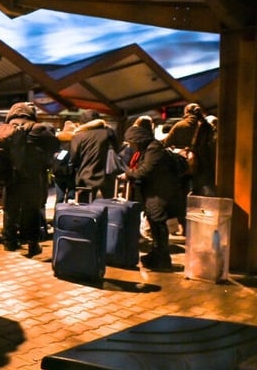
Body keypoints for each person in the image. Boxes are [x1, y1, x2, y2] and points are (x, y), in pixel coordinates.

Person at [0, 102, 58, 256]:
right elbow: (55, 145)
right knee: (31, 209)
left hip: (10, 176)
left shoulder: (4, 129)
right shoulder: (37, 128)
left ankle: (9, 242)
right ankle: (32, 243)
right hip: (32, 176)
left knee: (10, 209)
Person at [122, 124, 182, 271]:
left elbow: (144, 171)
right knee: (155, 225)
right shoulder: (149, 149)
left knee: (158, 224)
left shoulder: (154, 149)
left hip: (159, 193)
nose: (131, 146)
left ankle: (162, 260)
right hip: (154, 192)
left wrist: (128, 173)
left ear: (138, 140)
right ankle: (157, 257)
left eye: (132, 143)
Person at [163, 102, 216, 198]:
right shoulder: (207, 127)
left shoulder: (179, 125)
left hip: (183, 162)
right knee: (200, 192)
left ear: (186, 112)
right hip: (202, 164)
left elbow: (167, 143)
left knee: (183, 190)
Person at [70, 110, 118, 202]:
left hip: (86, 177)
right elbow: (117, 149)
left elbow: (73, 158)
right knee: (110, 207)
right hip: (107, 177)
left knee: (85, 208)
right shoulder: (108, 132)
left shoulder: (78, 136)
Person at [52, 120, 76, 203]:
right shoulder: (75, 140)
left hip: (58, 172)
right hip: (71, 173)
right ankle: (68, 214)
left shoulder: (57, 140)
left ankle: (57, 215)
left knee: (59, 198)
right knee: (71, 197)